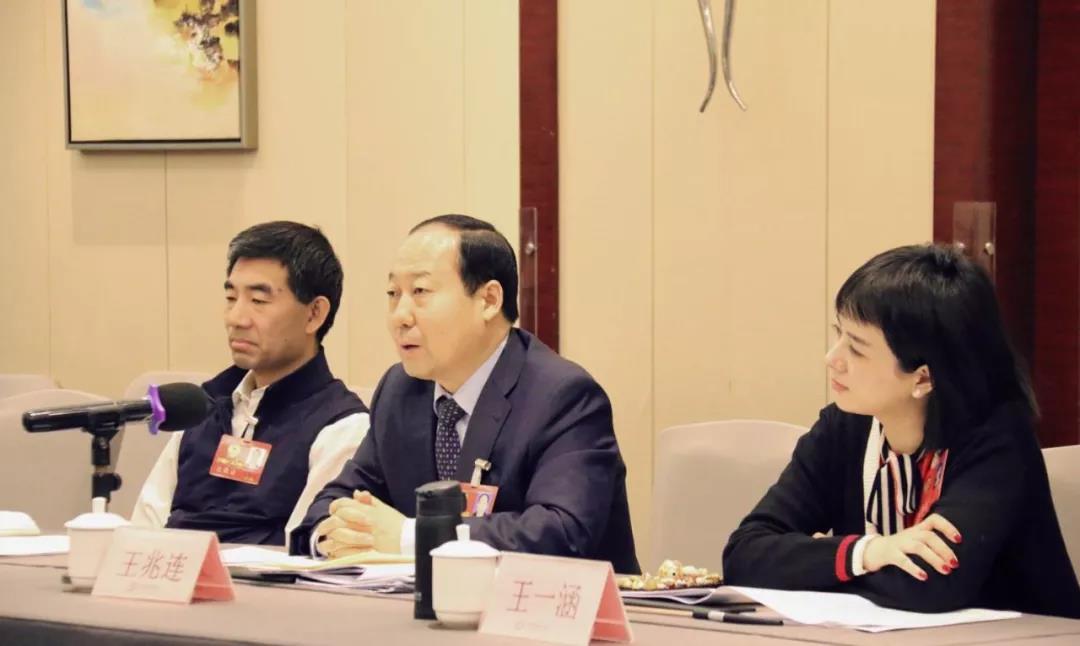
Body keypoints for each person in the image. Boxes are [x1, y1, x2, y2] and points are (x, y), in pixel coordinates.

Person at [722, 244, 1080, 618]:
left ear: (923, 378)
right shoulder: (844, 426)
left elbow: (930, 586)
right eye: (838, 334)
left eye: (856, 349)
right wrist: (868, 552)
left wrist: (810, 564)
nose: (832, 359)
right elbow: (744, 555)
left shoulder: (998, 442)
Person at [291, 214, 639, 574]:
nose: (400, 316)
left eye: (420, 292)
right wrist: (332, 535)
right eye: (393, 294)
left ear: (488, 300)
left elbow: (562, 533)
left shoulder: (563, 397)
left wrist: (410, 536)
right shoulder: (400, 391)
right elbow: (333, 502)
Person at [131, 221, 368, 547]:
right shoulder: (202, 406)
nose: (236, 318)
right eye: (231, 297)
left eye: (258, 300)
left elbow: (305, 553)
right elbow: (143, 531)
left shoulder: (342, 427)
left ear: (314, 314)